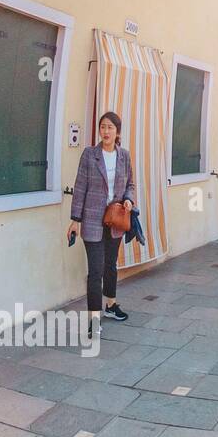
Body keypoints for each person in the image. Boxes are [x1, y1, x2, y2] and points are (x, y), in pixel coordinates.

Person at [67, 112, 134, 335]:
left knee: (111, 266)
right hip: (93, 220)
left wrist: (128, 199)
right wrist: (75, 220)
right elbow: (80, 187)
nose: (105, 131)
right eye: (102, 127)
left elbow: (130, 185)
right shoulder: (89, 155)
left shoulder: (124, 156)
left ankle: (111, 305)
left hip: (115, 219)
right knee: (96, 271)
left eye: (110, 128)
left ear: (117, 132)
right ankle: (94, 320)